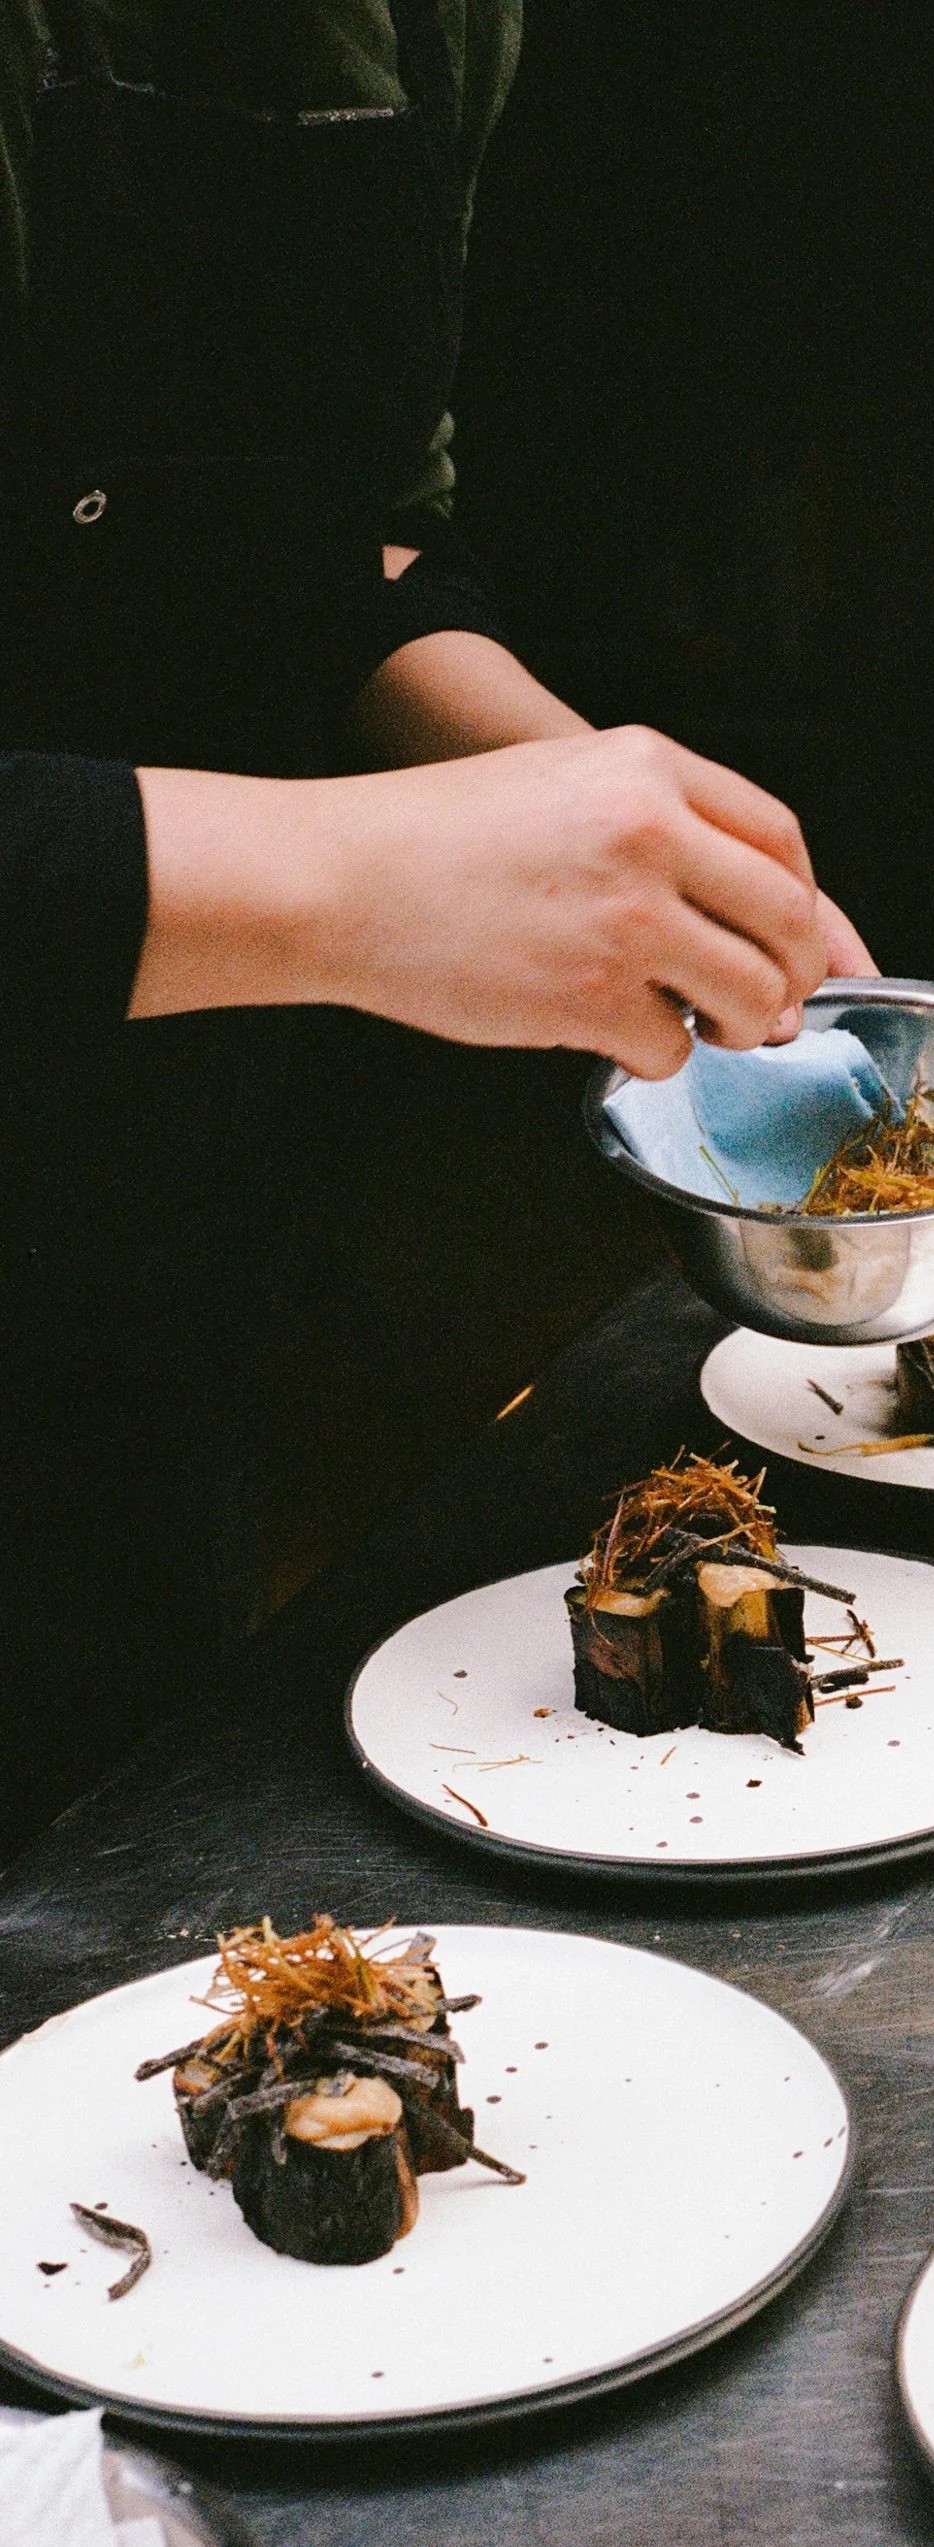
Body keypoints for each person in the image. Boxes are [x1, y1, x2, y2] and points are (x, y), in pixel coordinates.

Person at [0, 0, 871, 1844]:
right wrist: (355, 885)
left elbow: (353, 537)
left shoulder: (431, 25)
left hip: (127, 1250)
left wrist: (579, 798)